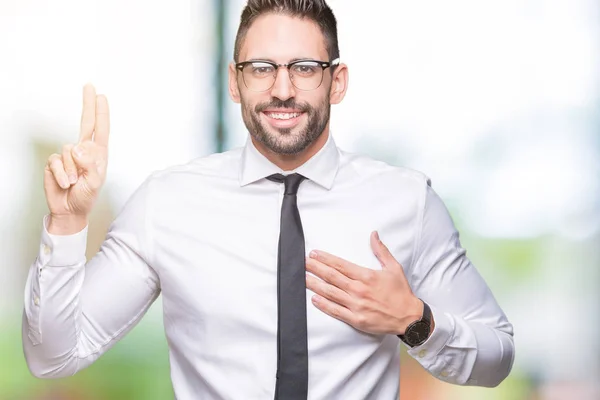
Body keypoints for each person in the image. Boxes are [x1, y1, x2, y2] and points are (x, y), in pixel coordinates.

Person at [22, 0, 515, 399]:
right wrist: (66, 224)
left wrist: (415, 321)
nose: (283, 90)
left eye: (304, 67)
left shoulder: (406, 201)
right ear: (235, 82)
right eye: (262, 68)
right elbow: (53, 357)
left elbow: (498, 356)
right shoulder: (167, 203)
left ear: (336, 82)